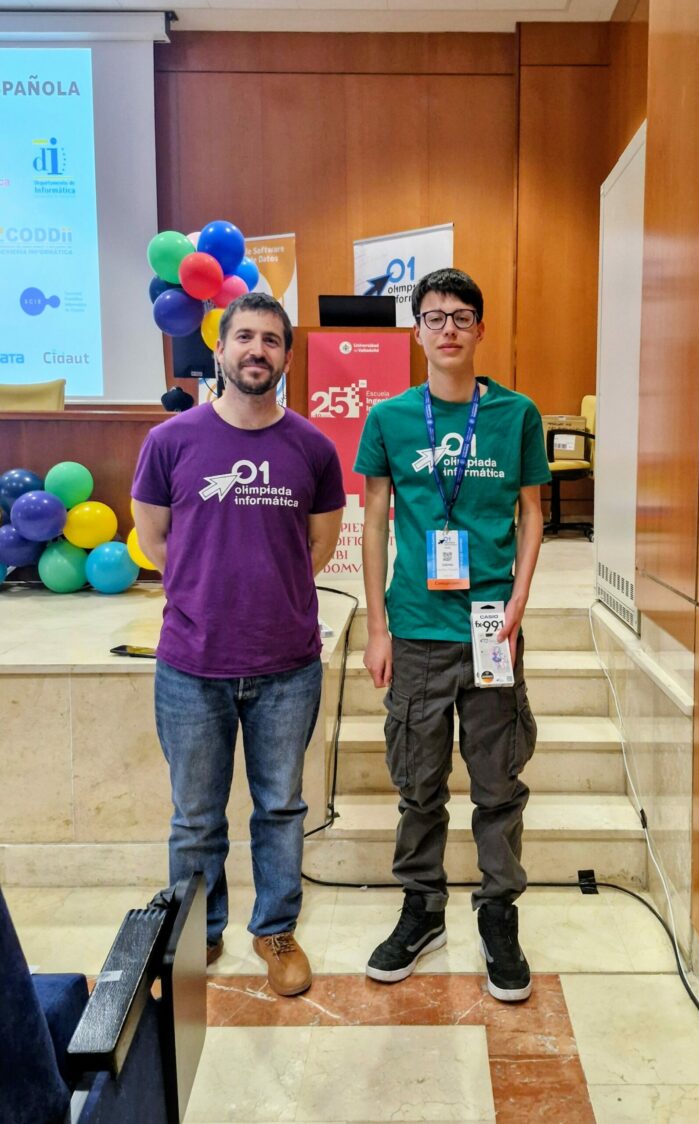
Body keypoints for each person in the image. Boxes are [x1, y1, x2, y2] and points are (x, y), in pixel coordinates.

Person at [132, 292, 345, 996]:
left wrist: (265, 595)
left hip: (287, 665)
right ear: (219, 350)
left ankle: (274, 929)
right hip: (192, 665)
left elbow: (318, 547)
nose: (258, 350)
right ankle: (199, 931)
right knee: (196, 816)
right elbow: (155, 540)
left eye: (272, 340)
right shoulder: (171, 442)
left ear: (286, 356)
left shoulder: (313, 448)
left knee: (281, 808)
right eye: (245, 337)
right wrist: (207, 592)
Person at [354, 268, 551, 1002]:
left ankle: (498, 913)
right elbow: (375, 523)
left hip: (492, 627)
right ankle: (423, 907)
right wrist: (377, 626)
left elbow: (533, 512)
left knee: (499, 781)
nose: (448, 329)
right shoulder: (390, 418)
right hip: (416, 628)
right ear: (416, 332)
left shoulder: (516, 414)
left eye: (461, 316)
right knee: (418, 783)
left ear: (479, 329)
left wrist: (520, 598)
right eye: (434, 317)